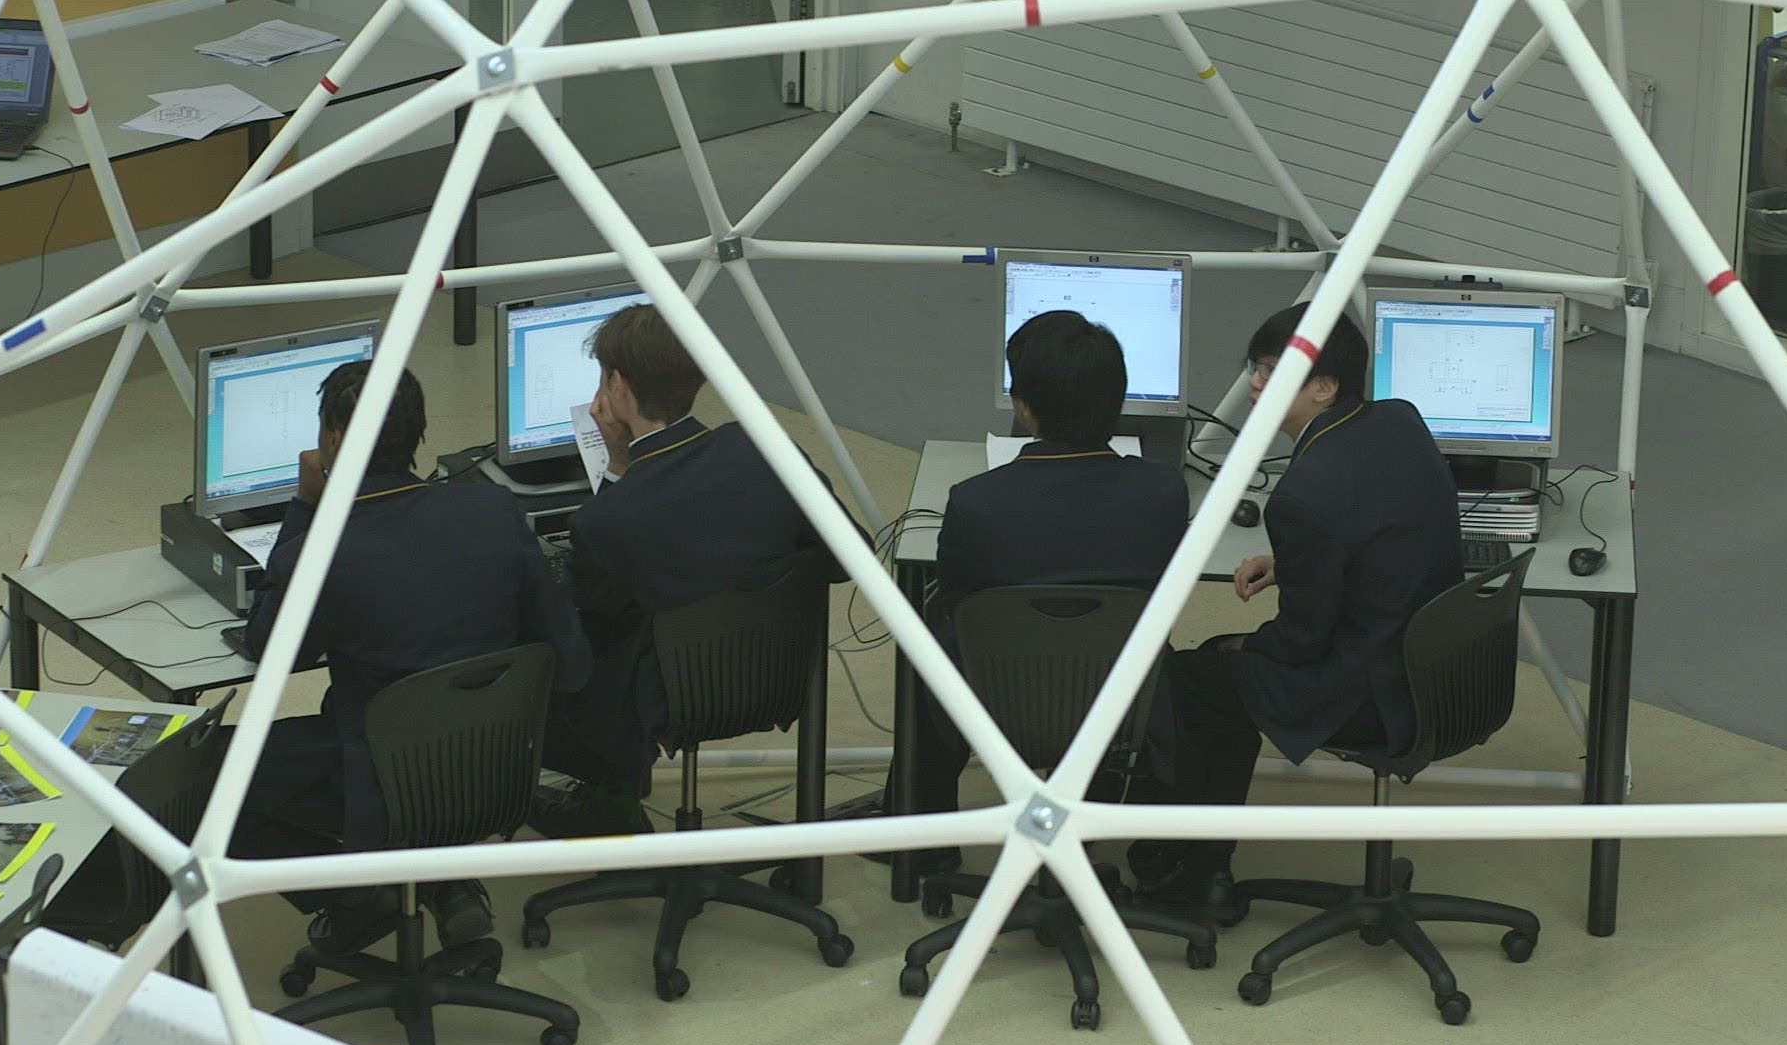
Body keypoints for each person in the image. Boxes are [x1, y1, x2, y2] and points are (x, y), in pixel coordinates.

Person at [234, 363, 592, 957]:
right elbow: (568, 657)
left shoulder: (321, 551)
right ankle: (439, 880)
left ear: (332, 439)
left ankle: (359, 896)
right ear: (417, 433)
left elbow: (268, 649)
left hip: (379, 780)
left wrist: (304, 506)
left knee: (207, 778)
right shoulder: (493, 511)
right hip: (497, 765)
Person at [1131, 302, 1463, 911]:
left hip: (1372, 694)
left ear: (1324, 386)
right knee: (1221, 670)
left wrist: (1244, 645)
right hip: (1433, 667)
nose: (1254, 384)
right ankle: (1195, 863)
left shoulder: (1305, 495)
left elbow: (1301, 642)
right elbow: (1384, 531)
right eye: (1254, 367)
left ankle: (1184, 873)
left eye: (1271, 370)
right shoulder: (1397, 419)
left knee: (1192, 676)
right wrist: (1295, 563)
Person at [531, 304, 858, 838]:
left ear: (617, 386)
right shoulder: (763, 447)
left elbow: (584, 619)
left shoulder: (608, 518)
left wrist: (617, 469)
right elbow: (847, 556)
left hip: (662, 703)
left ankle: (605, 804)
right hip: (775, 675)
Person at [906, 311, 1187, 857]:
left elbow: (958, 602)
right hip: (1122, 701)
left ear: (1023, 405)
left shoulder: (976, 501)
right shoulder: (1163, 492)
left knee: (929, 647)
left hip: (996, 700)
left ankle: (923, 844)